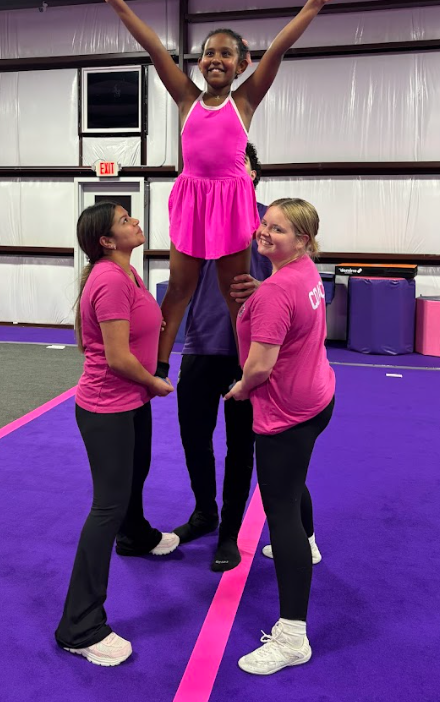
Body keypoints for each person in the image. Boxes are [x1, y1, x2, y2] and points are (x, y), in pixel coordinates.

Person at [97, 0, 340, 381]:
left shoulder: (244, 102)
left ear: (242, 64)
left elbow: (279, 48)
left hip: (230, 202)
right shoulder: (186, 99)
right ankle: (158, 367)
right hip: (193, 200)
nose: (215, 59)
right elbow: (153, 46)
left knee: (236, 292)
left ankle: (245, 369)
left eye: (226, 54)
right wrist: (119, 4)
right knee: (179, 290)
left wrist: (315, 2)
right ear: (199, 62)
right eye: (209, 53)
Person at [55, 202, 179, 668]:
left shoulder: (129, 273)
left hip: (132, 402)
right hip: (107, 407)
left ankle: (136, 536)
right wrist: (154, 382)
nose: (136, 222)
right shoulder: (109, 279)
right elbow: (116, 358)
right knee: (107, 506)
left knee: (135, 476)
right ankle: (79, 626)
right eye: (125, 221)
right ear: (106, 241)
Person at [225, 198, 336, 676]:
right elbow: (286, 308)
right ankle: (308, 543)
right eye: (265, 224)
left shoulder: (275, 292)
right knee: (293, 482)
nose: (265, 233)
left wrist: (240, 388)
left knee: (280, 509)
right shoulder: (305, 272)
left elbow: (259, 367)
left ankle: (293, 637)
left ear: (303, 240)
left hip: (286, 412)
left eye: (279, 230)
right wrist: (264, 294)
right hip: (317, 398)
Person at [173, 142, 271, 573]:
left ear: (252, 174)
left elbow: (294, 278)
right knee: (194, 437)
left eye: (238, 163)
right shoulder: (200, 221)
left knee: (240, 446)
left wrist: (264, 289)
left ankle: (229, 530)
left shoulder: (268, 224)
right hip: (200, 344)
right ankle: (204, 512)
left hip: (246, 352)